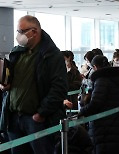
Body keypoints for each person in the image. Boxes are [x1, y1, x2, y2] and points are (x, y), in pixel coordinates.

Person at [0, 15, 68, 154]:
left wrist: (41, 114)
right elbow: (11, 78)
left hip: (36, 120)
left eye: (21, 31)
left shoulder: (52, 55)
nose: (18, 36)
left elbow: (59, 88)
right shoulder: (17, 52)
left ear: (34, 32)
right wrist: (5, 85)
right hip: (14, 117)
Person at [79, 55, 119, 154]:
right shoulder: (117, 78)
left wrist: (83, 111)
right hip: (118, 121)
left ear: (95, 67)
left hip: (104, 125)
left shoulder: (101, 80)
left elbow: (96, 103)